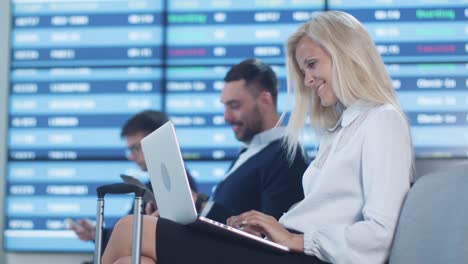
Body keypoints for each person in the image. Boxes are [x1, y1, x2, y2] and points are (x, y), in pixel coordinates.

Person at [103, 13, 416, 262]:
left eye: (312, 64)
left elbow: (380, 233)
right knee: (134, 259)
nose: (307, 80)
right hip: (287, 246)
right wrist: (269, 229)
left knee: (130, 229)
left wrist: (296, 239)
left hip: (305, 254)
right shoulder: (342, 130)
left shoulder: (383, 120)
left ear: (346, 55)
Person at [68, 110, 197, 251]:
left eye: (136, 148)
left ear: (158, 139)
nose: (131, 156)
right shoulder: (151, 185)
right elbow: (127, 233)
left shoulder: (181, 185)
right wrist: (95, 233)